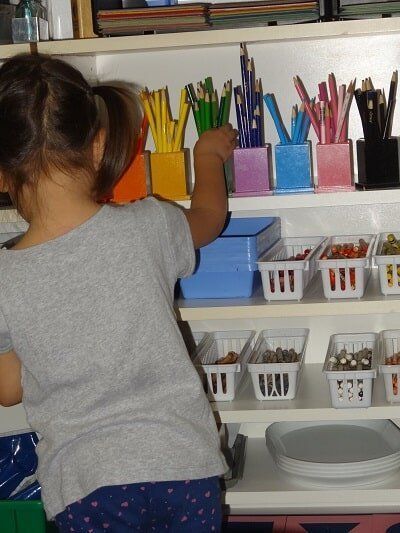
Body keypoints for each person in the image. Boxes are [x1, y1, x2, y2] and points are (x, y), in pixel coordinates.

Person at [0, 53, 237, 532]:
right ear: (97, 146)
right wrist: (207, 157)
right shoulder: (150, 224)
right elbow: (210, 220)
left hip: (85, 483)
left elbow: (8, 391)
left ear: (2, 175)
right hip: (183, 465)